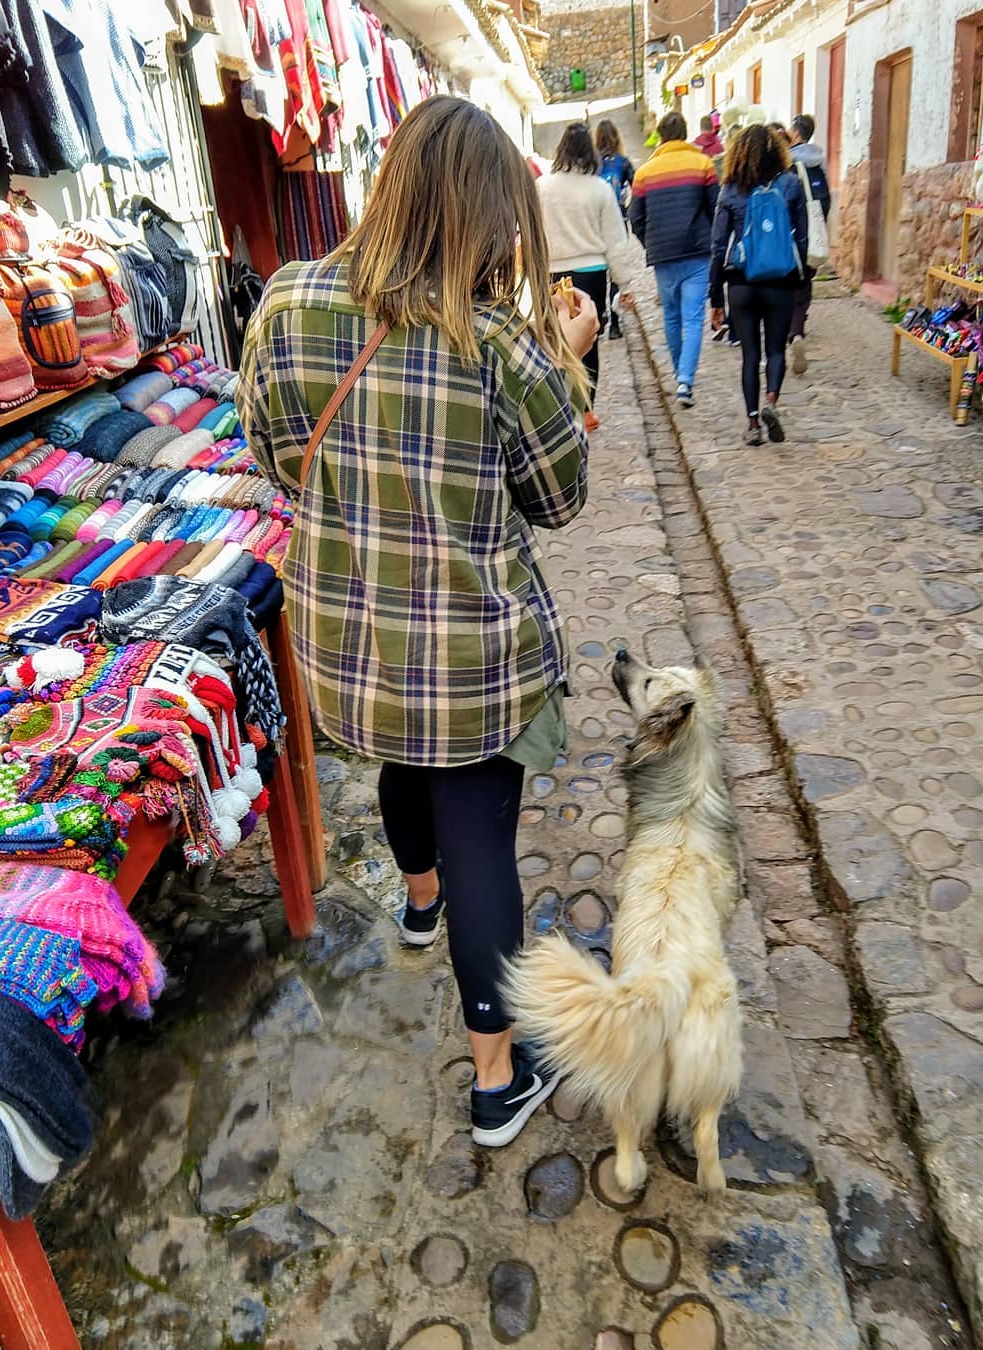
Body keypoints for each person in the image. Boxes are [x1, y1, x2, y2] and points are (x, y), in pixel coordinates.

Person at [237, 96, 600, 1148]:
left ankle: (417, 902)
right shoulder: (496, 342)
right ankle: (497, 1080)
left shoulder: (287, 304)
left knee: (405, 763)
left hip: (352, 643)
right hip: (473, 655)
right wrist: (571, 354)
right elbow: (560, 499)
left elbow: (270, 454)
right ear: (493, 218)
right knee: (482, 824)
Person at [709, 123, 808, 445]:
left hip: (741, 282)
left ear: (737, 153)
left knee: (750, 354)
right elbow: (802, 238)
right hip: (780, 280)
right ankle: (771, 402)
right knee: (776, 349)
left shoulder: (730, 190)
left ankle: (752, 425)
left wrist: (716, 296)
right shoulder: (791, 184)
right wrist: (801, 278)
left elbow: (718, 246)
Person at [538, 122, 633, 430]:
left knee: (555, 338)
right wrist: (625, 283)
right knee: (589, 339)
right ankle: (587, 408)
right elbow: (616, 241)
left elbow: (531, 232)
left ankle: (560, 403)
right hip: (592, 271)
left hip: (552, 272)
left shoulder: (542, 187)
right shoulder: (599, 188)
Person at [629, 110, 719, 409]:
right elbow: (714, 208)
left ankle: (680, 370)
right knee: (694, 317)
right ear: (683, 133)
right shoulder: (702, 164)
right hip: (696, 251)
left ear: (662, 136)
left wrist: (649, 242)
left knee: (671, 315)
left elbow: (636, 217)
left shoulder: (645, 172)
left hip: (663, 254)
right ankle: (685, 380)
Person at [788, 113, 831, 373]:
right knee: (805, 284)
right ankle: (798, 331)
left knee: (788, 283)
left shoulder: (789, 160)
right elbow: (825, 201)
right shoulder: (819, 160)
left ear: (795, 133)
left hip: (791, 233)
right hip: (813, 233)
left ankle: (789, 330)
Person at [594, 118, 635, 341]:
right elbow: (636, 187)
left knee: (599, 269)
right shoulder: (623, 162)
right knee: (615, 271)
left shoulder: (592, 163)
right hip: (617, 219)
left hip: (594, 223)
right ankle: (616, 324)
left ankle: (601, 316)